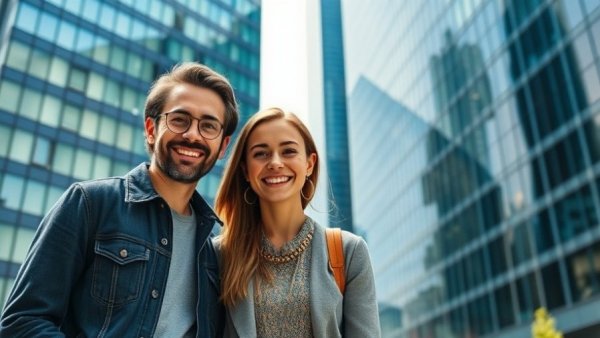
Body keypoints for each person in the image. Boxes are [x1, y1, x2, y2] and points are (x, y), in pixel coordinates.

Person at [0, 62, 238, 337]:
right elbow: (23, 322)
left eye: (208, 126)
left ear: (222, 146)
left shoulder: (213, 252)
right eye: (179, 120)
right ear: (151, 128)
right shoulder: (90, 204)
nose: (192, 134)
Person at [214, 107, 381, 337]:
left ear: (309, 164)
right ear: (245, 169)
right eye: (261, 153)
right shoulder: (219, 255)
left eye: (289, 151)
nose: (275, 162)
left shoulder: (348, 251)